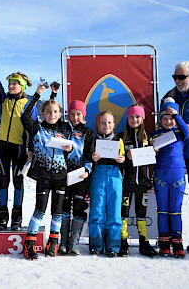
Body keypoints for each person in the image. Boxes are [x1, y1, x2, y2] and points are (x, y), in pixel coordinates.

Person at [0, 51, 37, 231]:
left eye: (14, 84)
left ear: (22, 87)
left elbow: (33, 130)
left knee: (18, 182)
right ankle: (2, 217)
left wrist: (31, 149)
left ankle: (17, 217)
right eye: (10, 83)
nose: (10, 86)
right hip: (2, 145)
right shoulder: (4, 100)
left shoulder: (29, 104)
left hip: (19, 148)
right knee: (3, 180)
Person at [21, 84, 72, 260]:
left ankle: (53, 242)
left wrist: (69, 149)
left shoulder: (65, 129)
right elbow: (24, 116)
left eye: (55, 112)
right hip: (43, 175)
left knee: (57, 211)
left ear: (60, 114)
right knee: (40, 209)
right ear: (42, 113)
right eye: (48, 111)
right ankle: (29, 243)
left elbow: (74, 149)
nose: (52, 115)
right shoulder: (37, 128)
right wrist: (37, 95)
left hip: (60, 176)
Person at [48, 95, 94, 256]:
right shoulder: (62, 128)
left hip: (80, 176)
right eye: (73, 114)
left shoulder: (88, 133)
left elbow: (89, 155)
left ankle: (75, 242)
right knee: (63, 206)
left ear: (83, 116)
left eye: (79, 114)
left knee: (80, 207)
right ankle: (64, 241)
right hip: (62, 174)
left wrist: (87, 170)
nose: (75, 117)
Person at [163, 61, 189, 254]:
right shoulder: (169, 96)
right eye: (174, 77)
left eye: (182, 77)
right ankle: (167, 237)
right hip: (174, 155)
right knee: (181, 197)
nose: (177, 81)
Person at [150, 99, 189, 258]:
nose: (168, 121)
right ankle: (164, 243)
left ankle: (178, 242)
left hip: (178, 173)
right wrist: (152, 148)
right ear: (160, 120)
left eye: (171, 118)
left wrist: (177, 115)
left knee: (176, 209)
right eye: (165, 118)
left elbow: (188, 133)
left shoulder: (180, 132)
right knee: (162, 209)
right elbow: (148, 153)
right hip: (161, 174)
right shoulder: (155, 134)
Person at [117, 104, 158, 257]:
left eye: (137, 116)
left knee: (142, 213)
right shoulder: (121, 137)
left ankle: (144, 242)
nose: (134, 119)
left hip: (142, 182)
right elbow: (117, 160)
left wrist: (155, 151)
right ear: (127, 118)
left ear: (142, 119)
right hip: (126, 182)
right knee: (124, 213)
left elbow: (154, 160)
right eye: (131, 116)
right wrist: (126, 159)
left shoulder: (148, 138)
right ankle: (123, 242)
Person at [89, 111, 125, 257]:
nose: (106, 125)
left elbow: (125, 158)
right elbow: (88, 157)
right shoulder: (93, 139)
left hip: (115, 175)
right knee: (97, 211)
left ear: (114, 125)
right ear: (98, 124)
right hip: (99, 173)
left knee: (115, 212)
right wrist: (93, 158)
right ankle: (96, 245)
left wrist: (122, 160)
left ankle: (113, 246)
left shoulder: (119, 140)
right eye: (103, 122)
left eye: (109, 122)